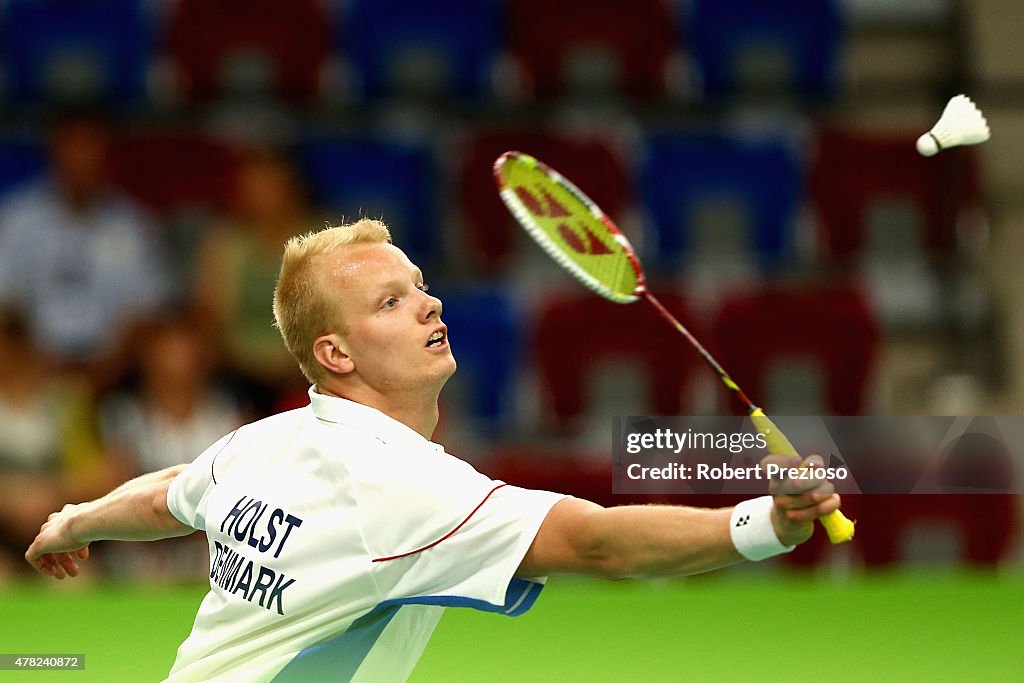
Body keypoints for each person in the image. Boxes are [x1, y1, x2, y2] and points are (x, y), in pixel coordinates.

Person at [25, 219, 841, 682]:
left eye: (419, 284)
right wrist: (767, 522)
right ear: (336, 353)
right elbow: (597, 540)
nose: (428, 302)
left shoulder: (263, 440)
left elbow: (172, 492)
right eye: (391, 300)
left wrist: (75, 518)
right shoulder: (405, 488)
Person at [0, 108, 171, 389]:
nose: (80, 157)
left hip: (113, 370)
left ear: (105, 153)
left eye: (90, 145)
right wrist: (36, 358)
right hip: (31, 365)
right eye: (71, 145)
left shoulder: (134, 226)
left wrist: (107, 368)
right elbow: (7, 306)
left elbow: (145, 311)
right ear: (54, 150)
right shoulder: (16, 220)